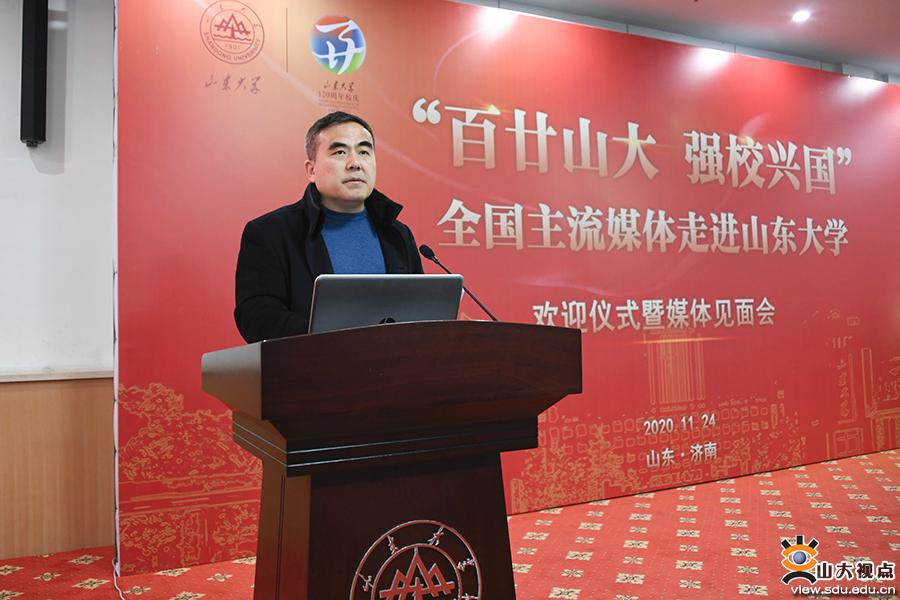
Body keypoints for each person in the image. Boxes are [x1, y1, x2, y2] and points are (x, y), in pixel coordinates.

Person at [234, 111, 424, 343]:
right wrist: (328, 342)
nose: (355, 163)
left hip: (394, 364)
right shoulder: (270, 233)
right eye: (340, 152)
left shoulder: (397, 234)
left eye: (364, 152)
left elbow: (419, 313)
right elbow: (257, 316)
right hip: (311, 363)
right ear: (311, 170)